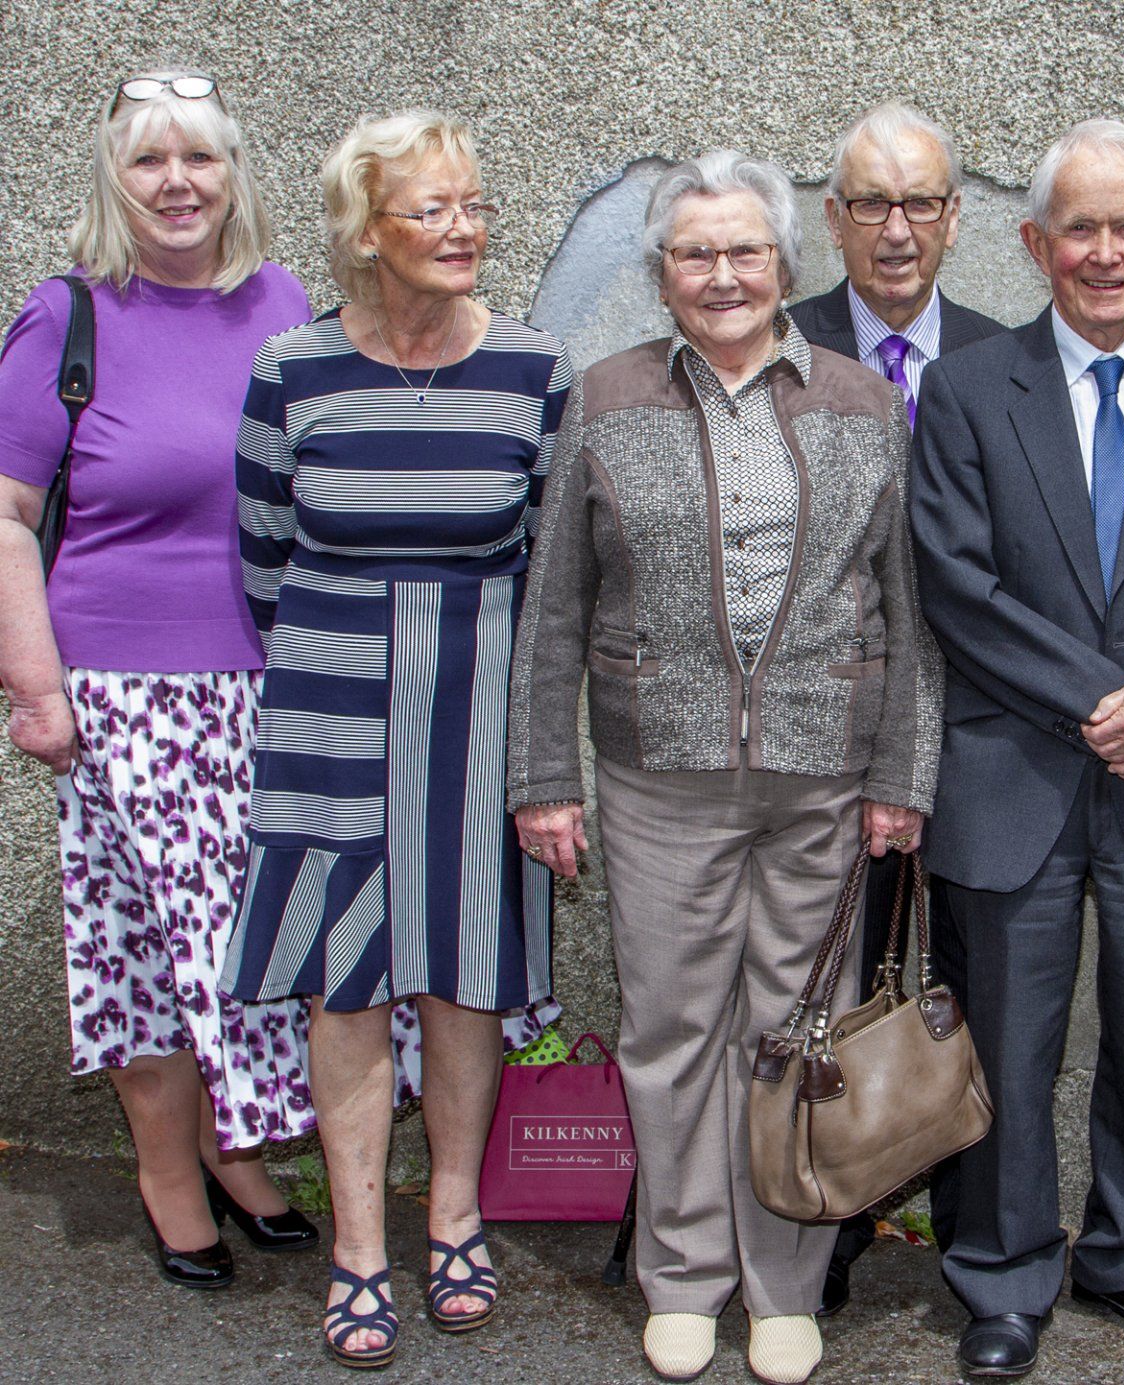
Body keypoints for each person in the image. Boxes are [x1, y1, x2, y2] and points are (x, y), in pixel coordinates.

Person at [506, 149, 940, 1385]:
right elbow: (553, 609)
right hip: (659, 777)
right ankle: (683, 1276)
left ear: (786, 265)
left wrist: (902, 773)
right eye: (694, 253)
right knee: (670, 1031)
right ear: (661, 274)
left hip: (824, 779)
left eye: (746, 250)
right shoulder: (609, 395)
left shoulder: (861, 401)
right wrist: (547, 777)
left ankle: (786, 1284)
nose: (722, 273)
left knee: (793, 1034)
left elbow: (912, 614)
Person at [219, 110, 572, 1368]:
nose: (463, 227)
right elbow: (261, 555)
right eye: (431, 209)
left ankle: (457, 1216)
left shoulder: (537, 367)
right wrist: (341, 649)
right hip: (329, 690)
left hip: (477, 691)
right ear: (365, 234)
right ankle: (361, 1244)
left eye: (473, 204)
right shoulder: (290, 368)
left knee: (467, 962)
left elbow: (552, 564)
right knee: (347, 974)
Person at [910, 118, 1124, 1379]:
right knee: (1009, 1035)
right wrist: (1114, 698)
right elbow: (956, 580)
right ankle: (1001, 1269)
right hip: (1016, 771)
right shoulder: (970, 383)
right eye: (1078, 229)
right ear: (1036, 243)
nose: (1105, 253)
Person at [0, 70, 317, 1291]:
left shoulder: (280, 300)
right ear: (113, 179)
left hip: (269, 684)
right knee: (144, 945)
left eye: (200, 159)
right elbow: (10, 514)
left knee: (243, 947)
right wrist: (37, 688)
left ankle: (235, 1148)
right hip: (124, 693)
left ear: (236, 176)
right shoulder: (66, 315)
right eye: (149, 161)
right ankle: (170, 1174)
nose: (177, 183)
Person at [785, 99, 1005, 1316]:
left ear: (958, 216)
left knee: (951, 995)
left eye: (923, 201)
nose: (899, 228)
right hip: (819, 742)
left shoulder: (1003, 356)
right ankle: (814, 1225)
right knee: (817, 989)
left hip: (976, 737)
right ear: (834, 218)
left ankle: (975, 1249)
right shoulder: (773, 341)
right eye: (872, 202)